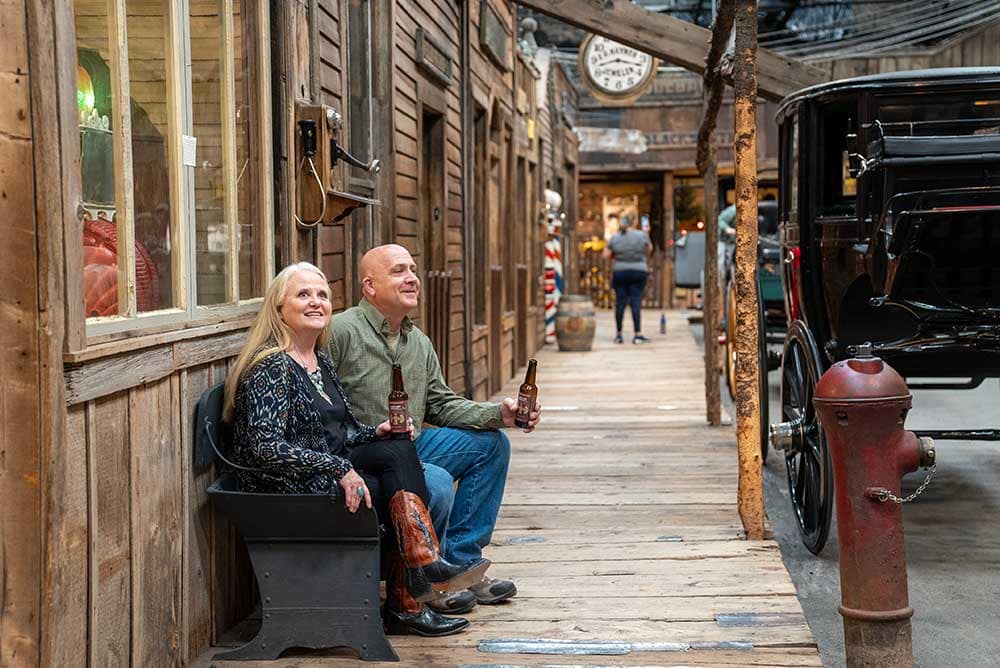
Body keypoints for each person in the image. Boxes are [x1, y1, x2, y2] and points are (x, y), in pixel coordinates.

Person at [224, 262, 487, 637]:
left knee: (397, 444)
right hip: (291, 488)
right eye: (303, 295)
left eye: (322, 295)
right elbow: (263, 449)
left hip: (324, 469)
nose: (315, 302)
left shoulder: (319, 359)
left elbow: (342, 431)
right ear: (279, 308)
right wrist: (338, 469)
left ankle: (420, 567)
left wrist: (376, 431)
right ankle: (411, 593)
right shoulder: (272, 367)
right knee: (393, 487)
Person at [328, 244, 543, 615]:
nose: (412, 278)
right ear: (369, 285)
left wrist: (500, 414)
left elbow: (441, 404)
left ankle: (462, 564)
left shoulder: (418, 341)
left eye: (413, 270)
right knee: (439, 481)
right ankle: (429, 580)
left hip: (413, 444)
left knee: (492, 445)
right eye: (398, 271)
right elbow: (323, 403)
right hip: (363, 455)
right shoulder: (341, 331)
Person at [603, 216, 653, 344]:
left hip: (620, 271)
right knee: (636, 301)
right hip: (639, 271)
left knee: (620, 303)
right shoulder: (642, 235)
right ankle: (637, 334)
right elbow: (649, 249)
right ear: (634, 222)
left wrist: (618, 255)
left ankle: (619, 335)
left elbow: (605, 255)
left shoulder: (615, 237)